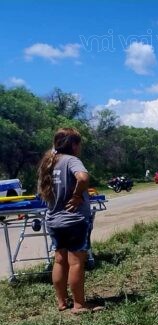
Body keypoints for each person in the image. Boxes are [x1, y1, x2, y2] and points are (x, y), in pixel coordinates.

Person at [37, 128, 102, 314]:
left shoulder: (48, 162)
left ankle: (61, 301)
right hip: (74, 220)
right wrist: (77, 196)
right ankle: (79, 305)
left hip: (54, 220)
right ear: (73, 145)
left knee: (59, 260)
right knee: (76, 263)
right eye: (78, 144)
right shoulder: (71, 160)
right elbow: (83, 178)